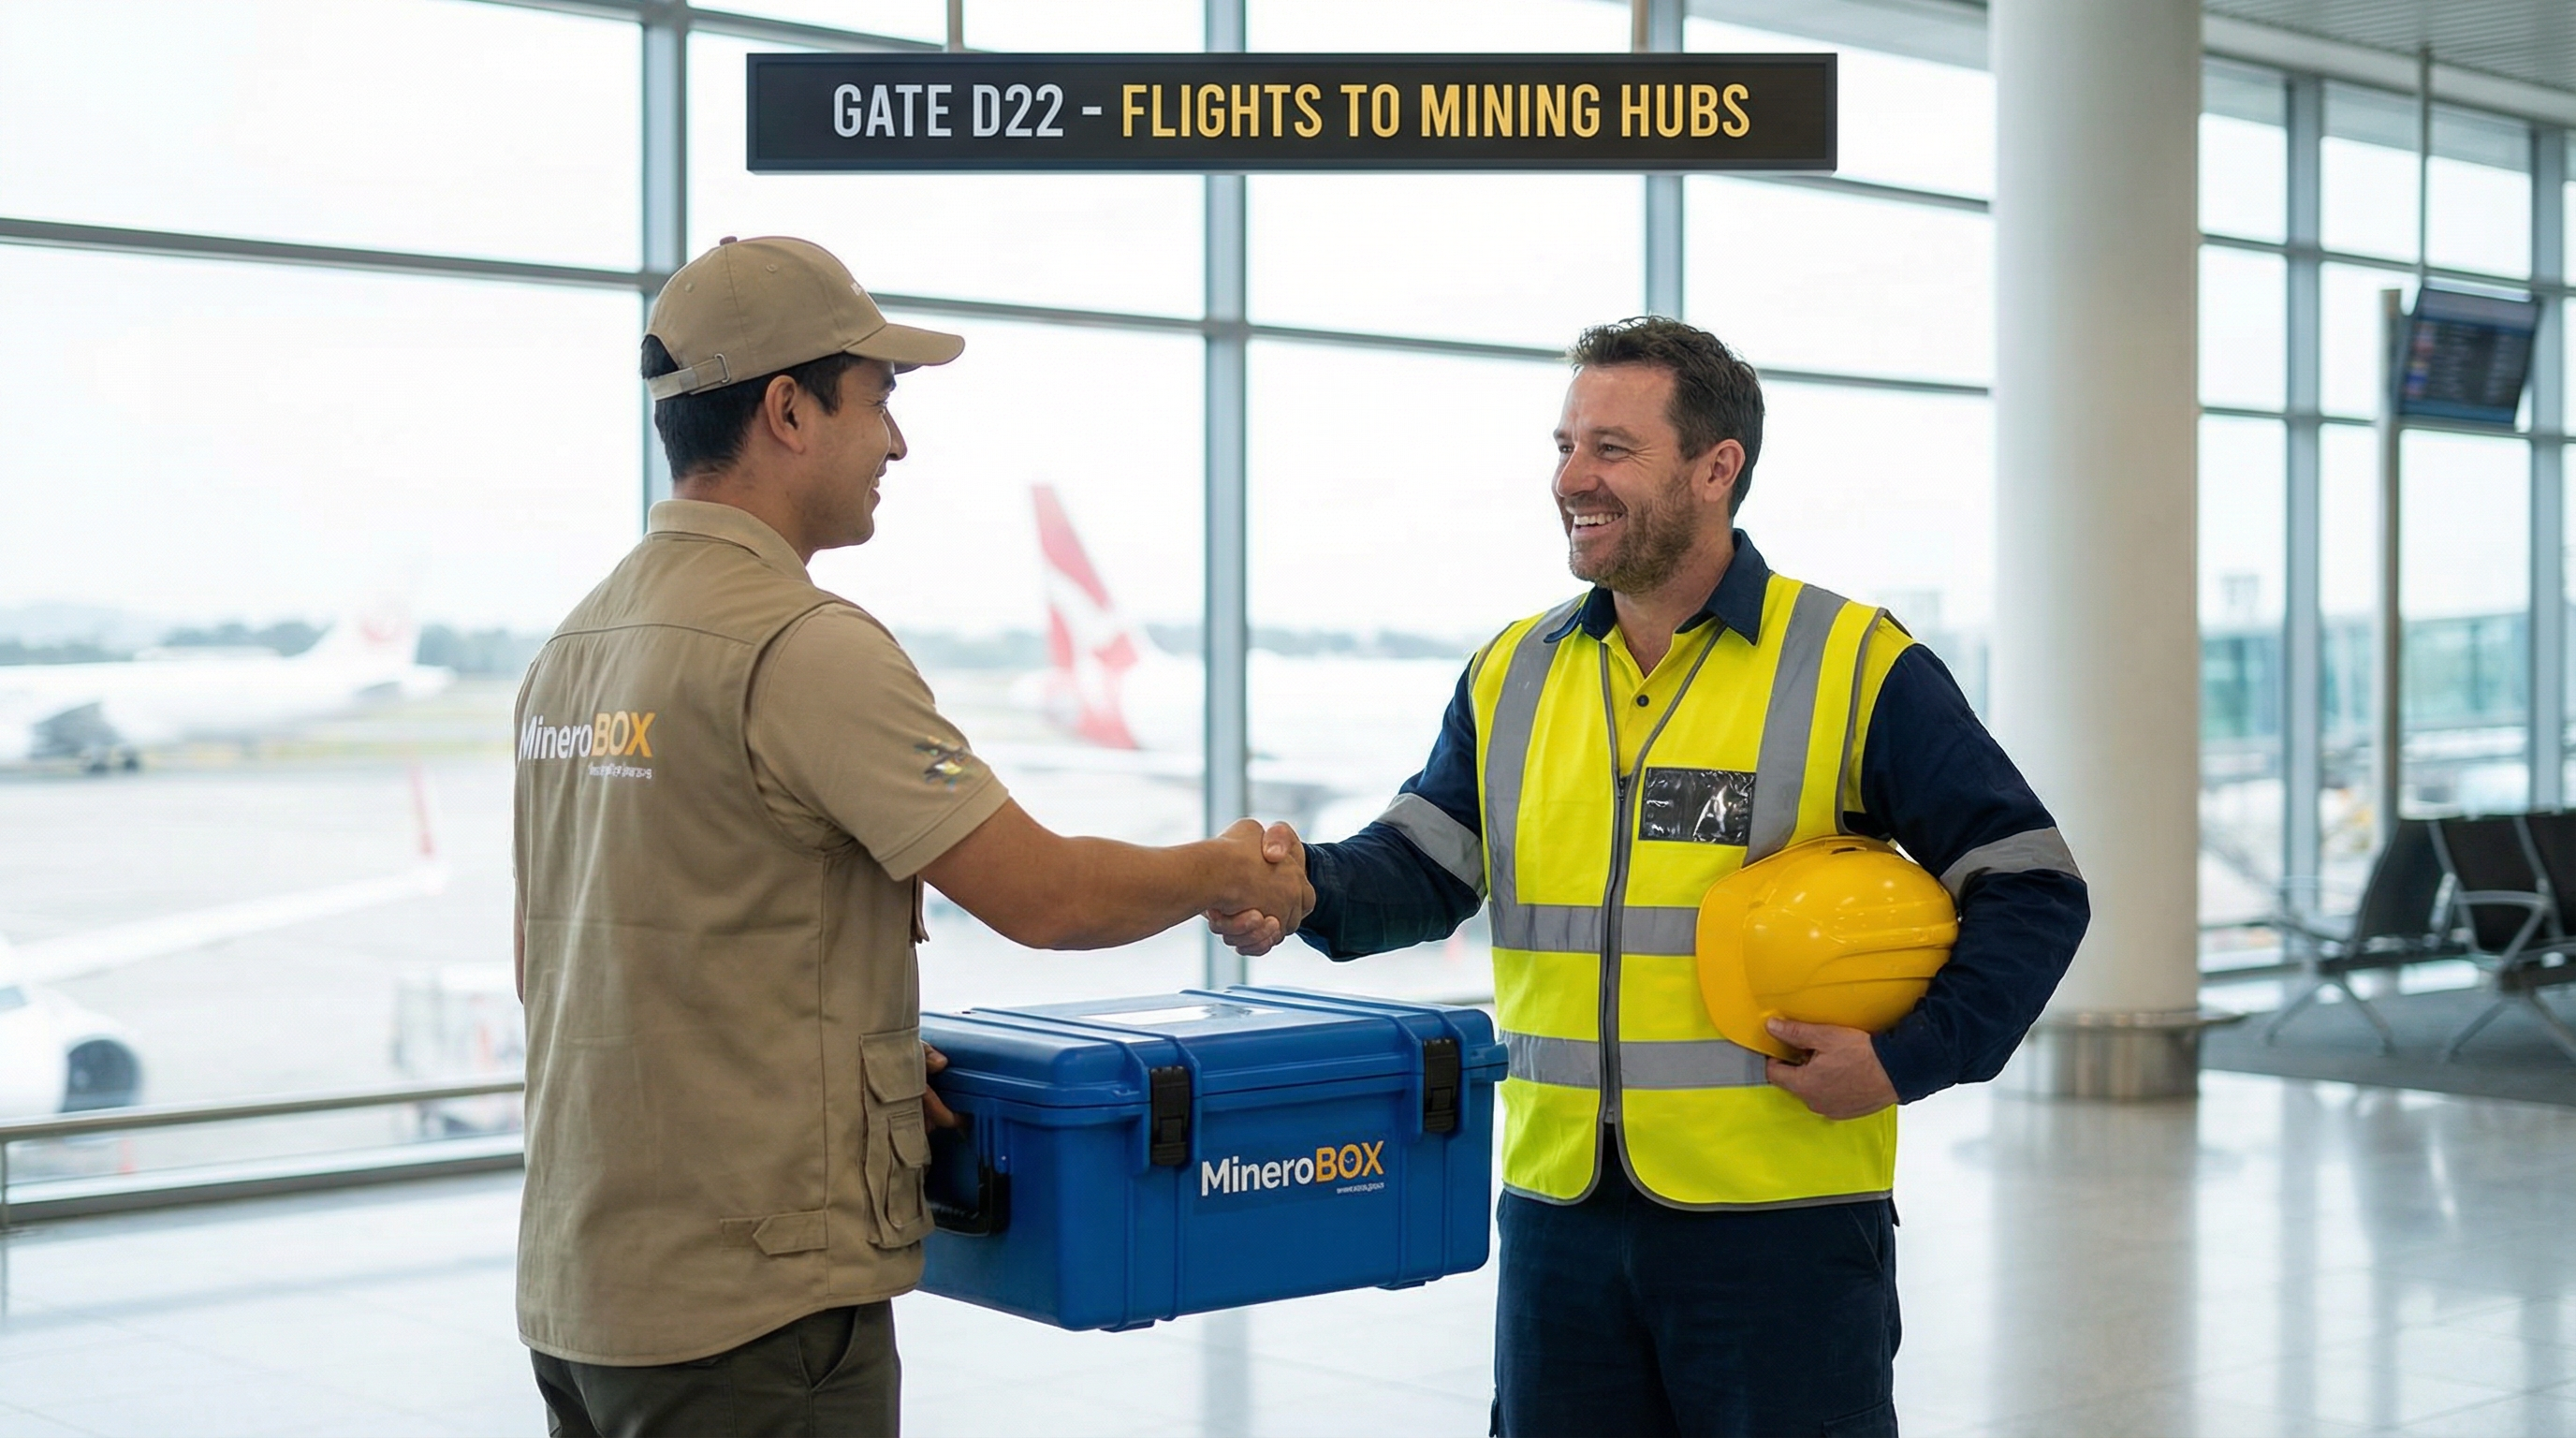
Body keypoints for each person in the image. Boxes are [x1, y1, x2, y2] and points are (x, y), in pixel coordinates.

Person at [1212, 316, 2088, 1438]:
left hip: (1781, 1221)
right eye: (1566, 443)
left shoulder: (1854, 661)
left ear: (1716, 467)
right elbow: (1426, 866)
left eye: (1612, 449)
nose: (1571, 477)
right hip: (1559, 1214)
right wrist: (1303, 893)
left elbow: (2031, 881)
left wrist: (1911, 1058)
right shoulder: (1512, 670)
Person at [512, 234, 1311, 1438]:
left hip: (591, 1289)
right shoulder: (800, 645)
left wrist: (846, 1066)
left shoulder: (572, 650)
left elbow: (612, 955)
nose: (897, 442)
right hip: (752, 1315)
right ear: (787, 410)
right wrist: (1221, 870)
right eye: (878, 401)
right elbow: (1046, 896)